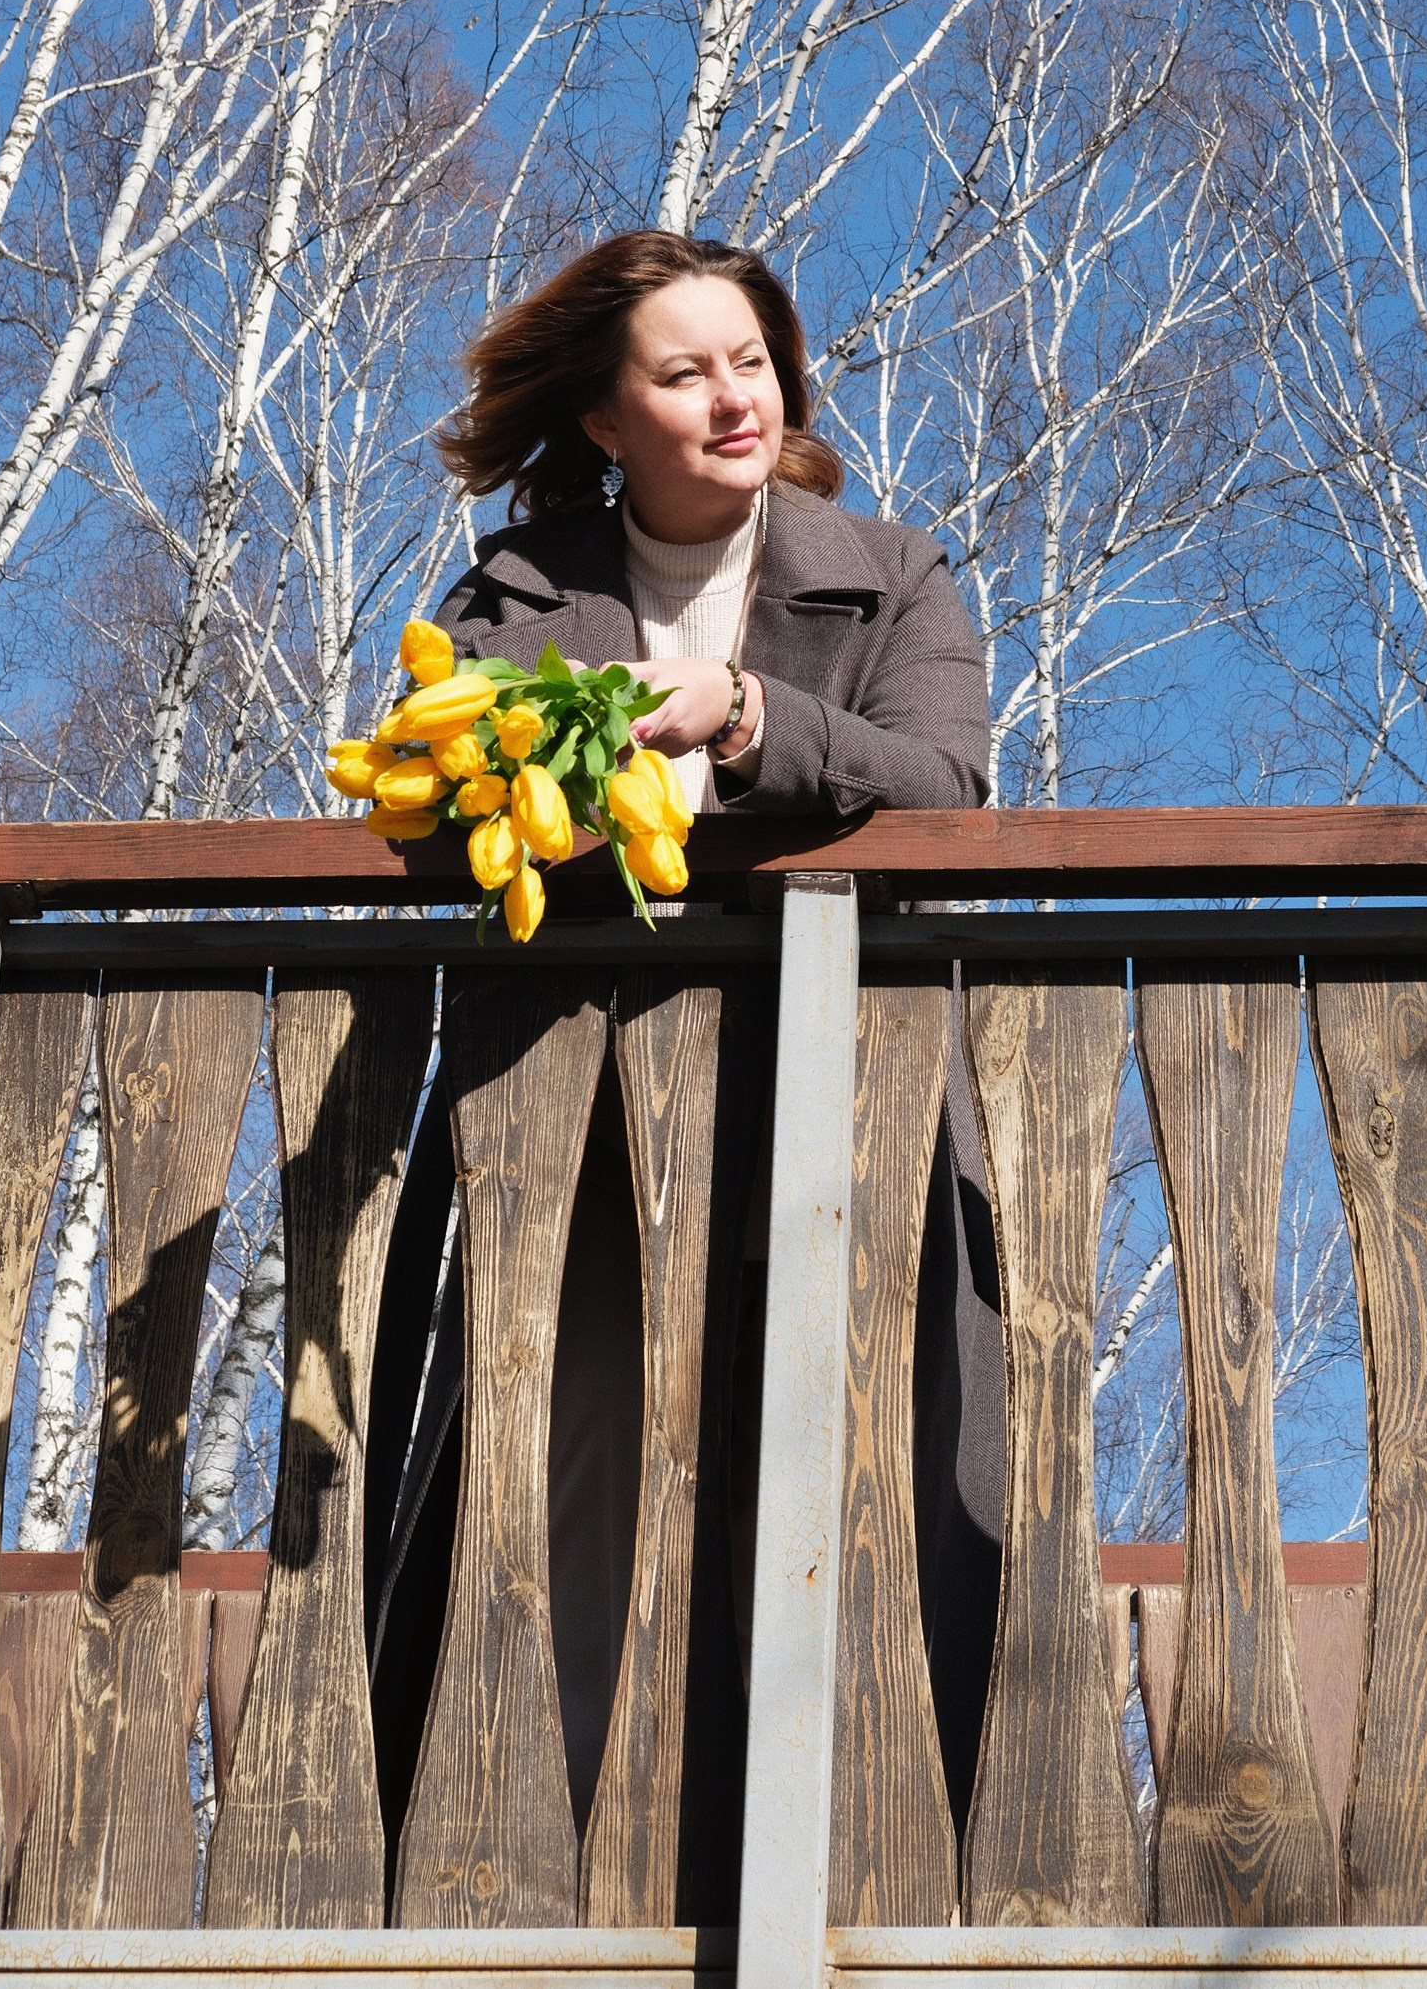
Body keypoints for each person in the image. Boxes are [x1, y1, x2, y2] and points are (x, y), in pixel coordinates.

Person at [366, 233, 1005, 1890]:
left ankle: (858, 1859)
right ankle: (562, 1864)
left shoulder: (895, 571)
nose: (734, 399)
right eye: (683, 371)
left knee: (851, 1458)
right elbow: (436, 816)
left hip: (840, 1096)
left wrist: (746, 718)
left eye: (753, 362)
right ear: (604, 416)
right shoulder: (514, 592)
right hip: (571, 1094)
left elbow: (945, 786)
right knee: (567, 1455)